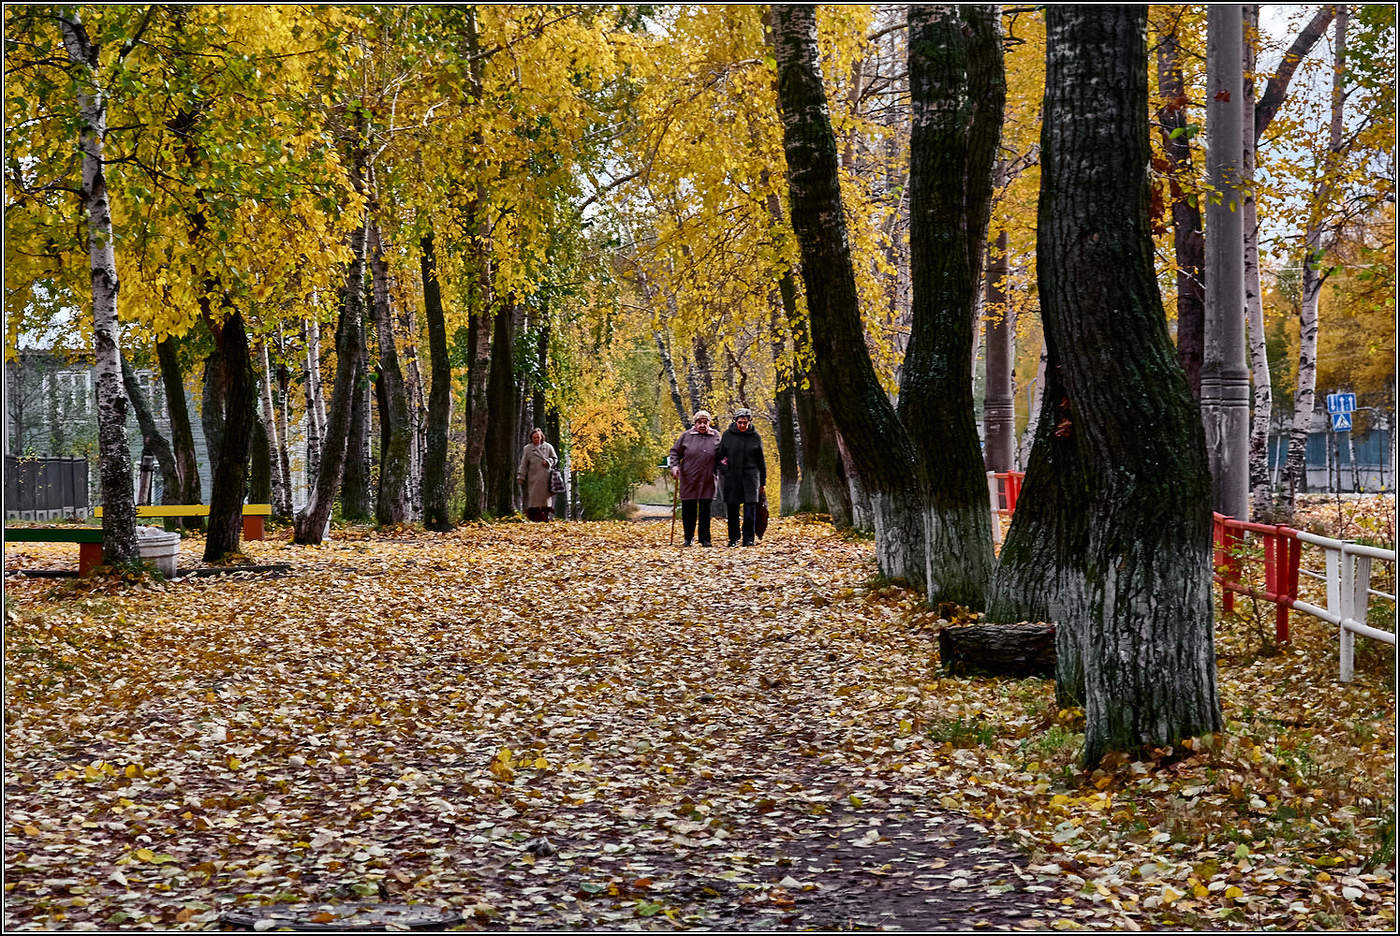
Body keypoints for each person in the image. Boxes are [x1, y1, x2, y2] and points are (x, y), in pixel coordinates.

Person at [667, 410, 722, 547]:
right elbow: (674, 452)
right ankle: (688, 537)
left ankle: (705, 539)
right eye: (699, 422)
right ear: (695, 423)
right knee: (689, 509)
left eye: (705, 422)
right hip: (689, 477)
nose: (702, 425)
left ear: (709, 423)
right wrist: (674, 467)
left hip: (708, 478)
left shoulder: (716, 436)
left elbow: (723, 454)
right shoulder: (686, 436)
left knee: (705, 510)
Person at [717, 407, 766, 547]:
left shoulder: (755, 436)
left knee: (750, 509)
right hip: (732, 477)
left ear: (749, 422)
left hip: (751, 477)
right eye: (740, 422)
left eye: (745, 422)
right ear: (735, 422)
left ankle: (748, 539)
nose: (743, 425)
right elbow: (720, 457)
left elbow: (761, 461)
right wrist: (725, 469)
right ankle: (733, 538)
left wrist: (763, 482)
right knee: (732, 510)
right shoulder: (727, 435)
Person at [517, 428, 559, 522]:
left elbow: (555, 458)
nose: (536, 439)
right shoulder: (527, 448)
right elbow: (523, 464)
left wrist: (549, 462)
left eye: (538, 437)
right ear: (531, 438)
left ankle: (546, 517)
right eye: (534, 438)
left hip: (546, 478)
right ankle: (534, 518)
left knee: (546, 500)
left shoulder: (548, 447)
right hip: (533, 478)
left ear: (541, 437)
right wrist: (521, 476)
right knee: (534, 499)